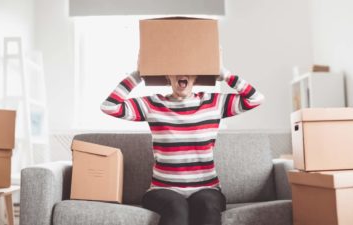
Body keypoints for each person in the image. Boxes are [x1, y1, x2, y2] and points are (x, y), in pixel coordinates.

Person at [101, 67, 265, 225]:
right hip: (163, 190)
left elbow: (255, 99)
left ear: (196, 77)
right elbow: (109, 107)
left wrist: (224, 74)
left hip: (206, 189)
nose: (182, 73)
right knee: (176, 208)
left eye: (188, 69)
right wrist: (139, 74)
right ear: (167, 77)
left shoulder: (214, 102)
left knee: (207, 206)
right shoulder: (152, 104)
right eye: (175, 69)